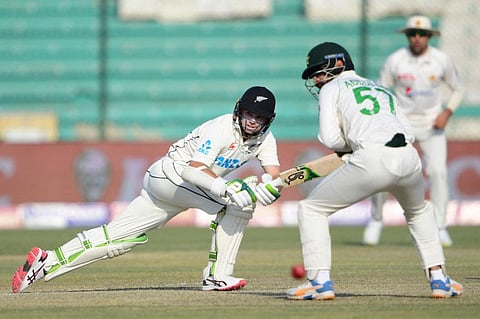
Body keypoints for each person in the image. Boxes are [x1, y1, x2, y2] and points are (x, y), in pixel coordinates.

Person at [11, 86, 282, 293]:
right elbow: (192, 169)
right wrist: (228, 188)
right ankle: (218, 275)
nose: (252, 122)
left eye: (259, 117)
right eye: (249, 114)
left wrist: (271, 188)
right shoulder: (220, 128)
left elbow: (274, 177)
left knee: (119, 240)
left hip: (179, 190)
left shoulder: (265, 140)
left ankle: (45, 262)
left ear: (268, 120)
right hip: (171, 175)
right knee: (237, 204)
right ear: (239, 110)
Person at [284, 42, 463, 300]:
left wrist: (351, 145)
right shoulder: (381, 88)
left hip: (372, 158)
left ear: (337, 64)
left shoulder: (332, 88)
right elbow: (409, 133)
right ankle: (440, 280)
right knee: (419, 211)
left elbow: (329, 138)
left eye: (318, 71)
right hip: (409, 158)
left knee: (311, 209)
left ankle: (320, 283)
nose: (315, 78)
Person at [362, 15, 464, 247]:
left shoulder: (441, 60)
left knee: (438, 172)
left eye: (421, 34)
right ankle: (377, 219)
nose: (417, 38)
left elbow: (458, 89)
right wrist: (387, 119)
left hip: (432, 124)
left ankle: (440, 226)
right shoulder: (396, 60)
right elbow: (381, 90)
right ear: (407, 36)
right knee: (383, 170)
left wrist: (446, 113)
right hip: (400, 124)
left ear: (429, 36)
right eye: (412, 34)